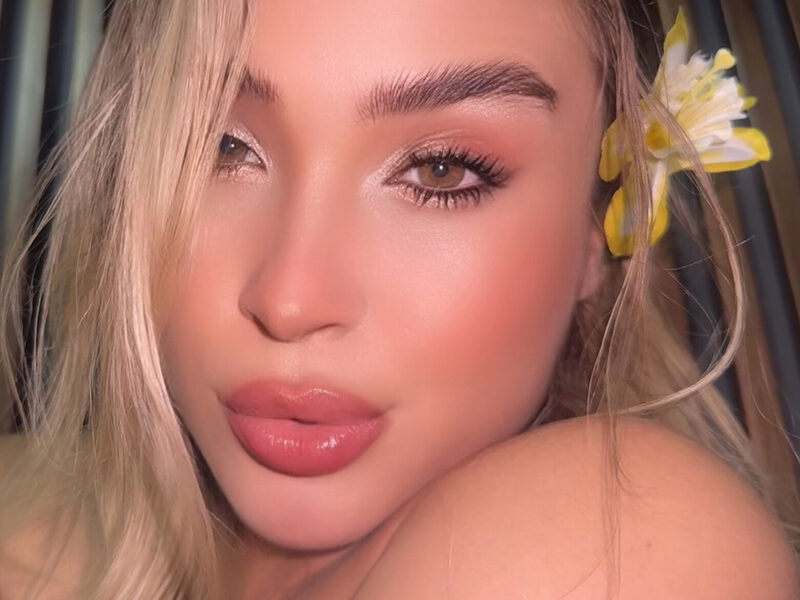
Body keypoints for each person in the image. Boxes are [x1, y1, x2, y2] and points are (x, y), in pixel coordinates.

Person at [0, 0, 797, 598]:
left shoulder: (629, 534)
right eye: (218, 147)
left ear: (597, 229)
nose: (290, 300)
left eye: (442, 171)